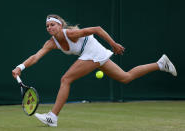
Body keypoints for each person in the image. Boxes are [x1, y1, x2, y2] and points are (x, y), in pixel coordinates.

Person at [12, 14, 177, 127]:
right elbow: (36, 56)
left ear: (60, 25)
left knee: (66, 79)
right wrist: (20, 67)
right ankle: (161, 64)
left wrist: (113, 44)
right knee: (125, 77)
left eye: (52, 25)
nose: (49, 28)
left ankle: (52, 117)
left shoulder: (71, 33)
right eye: (47, 26)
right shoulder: (51, 42)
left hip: (93, 51)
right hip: (92, 53)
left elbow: (97, 28)